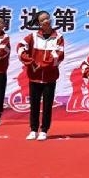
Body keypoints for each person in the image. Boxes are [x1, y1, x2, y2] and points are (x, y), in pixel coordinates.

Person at [17, 10, 65, 141]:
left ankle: (44, 130)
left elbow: (59, 55)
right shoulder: (32, 36)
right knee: (34, 104)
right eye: (43, 19)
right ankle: (33, 129)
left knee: (47, 105)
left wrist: (42, 65)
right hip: (34, 77)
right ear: (39, 23)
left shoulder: (58, 37)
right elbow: (20, 48)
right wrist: (30, 61)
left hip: (50, 77)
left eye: (47, 18)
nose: (46, 21)